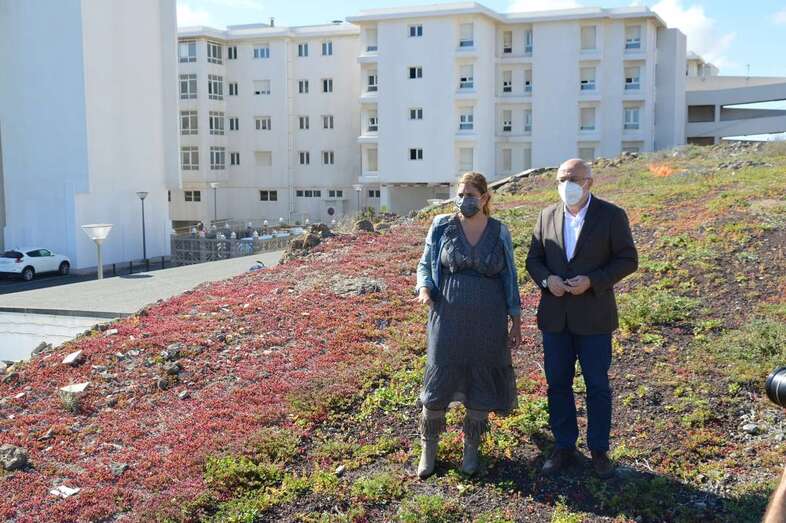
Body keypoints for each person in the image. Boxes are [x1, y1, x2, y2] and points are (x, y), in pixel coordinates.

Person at [525, 159, 637, 479]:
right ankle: (564, 446)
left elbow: (628, 259)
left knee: (597, 385)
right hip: (555, 319)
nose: (566, 184)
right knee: (557, 384)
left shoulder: (612, 216)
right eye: (561, 178)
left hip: (594, 318)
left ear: (589, 181)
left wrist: (594, 280)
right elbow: (534, 260)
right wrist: (548, 281)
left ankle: (599, 450)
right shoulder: (546, 215)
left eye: (573, 178)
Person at [413, 171, 522, 479]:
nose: (463, 200)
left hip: (489, 320)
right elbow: (425, 263)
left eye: (471, 195)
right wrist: (424, 287)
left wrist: (515, 318)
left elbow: (509, 277)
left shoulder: (500, 231)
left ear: (485, 198)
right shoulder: (442, 225)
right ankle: (428, 449)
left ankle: (471, 451)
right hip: (447, 317)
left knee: (481, 381)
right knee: (438, 382)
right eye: (460, 194)